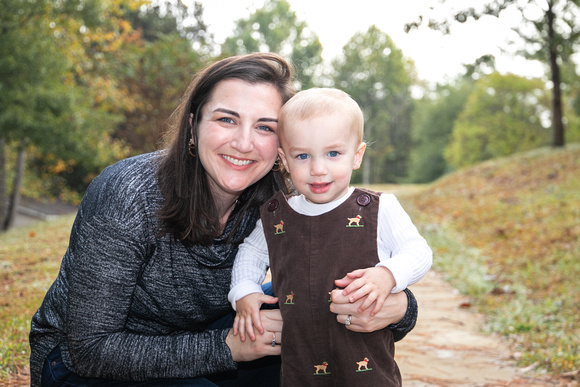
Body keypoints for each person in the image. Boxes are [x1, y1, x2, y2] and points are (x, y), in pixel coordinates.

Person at [29, 53, 418, 387]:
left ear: (281, 147)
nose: (244, 143)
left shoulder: (277, 204)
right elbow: (90, 349)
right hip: (81, 367)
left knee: (307, 356)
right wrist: (227, 349)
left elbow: (324, 277)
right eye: (227, 120)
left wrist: (398, 308)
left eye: (264, 127)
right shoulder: (128, 194)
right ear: (194, 126)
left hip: (200, 343)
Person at [228, 88, 432, 386]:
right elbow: (250, 253)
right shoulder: (276, 214)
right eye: (303, 156)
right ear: (284, 159)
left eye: (333, 153)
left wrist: (387, 275)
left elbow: (418, 251)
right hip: (300, 365)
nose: (318, 169)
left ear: (357, 155)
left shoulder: (377, 208)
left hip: (365, 364)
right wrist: (243, 292)